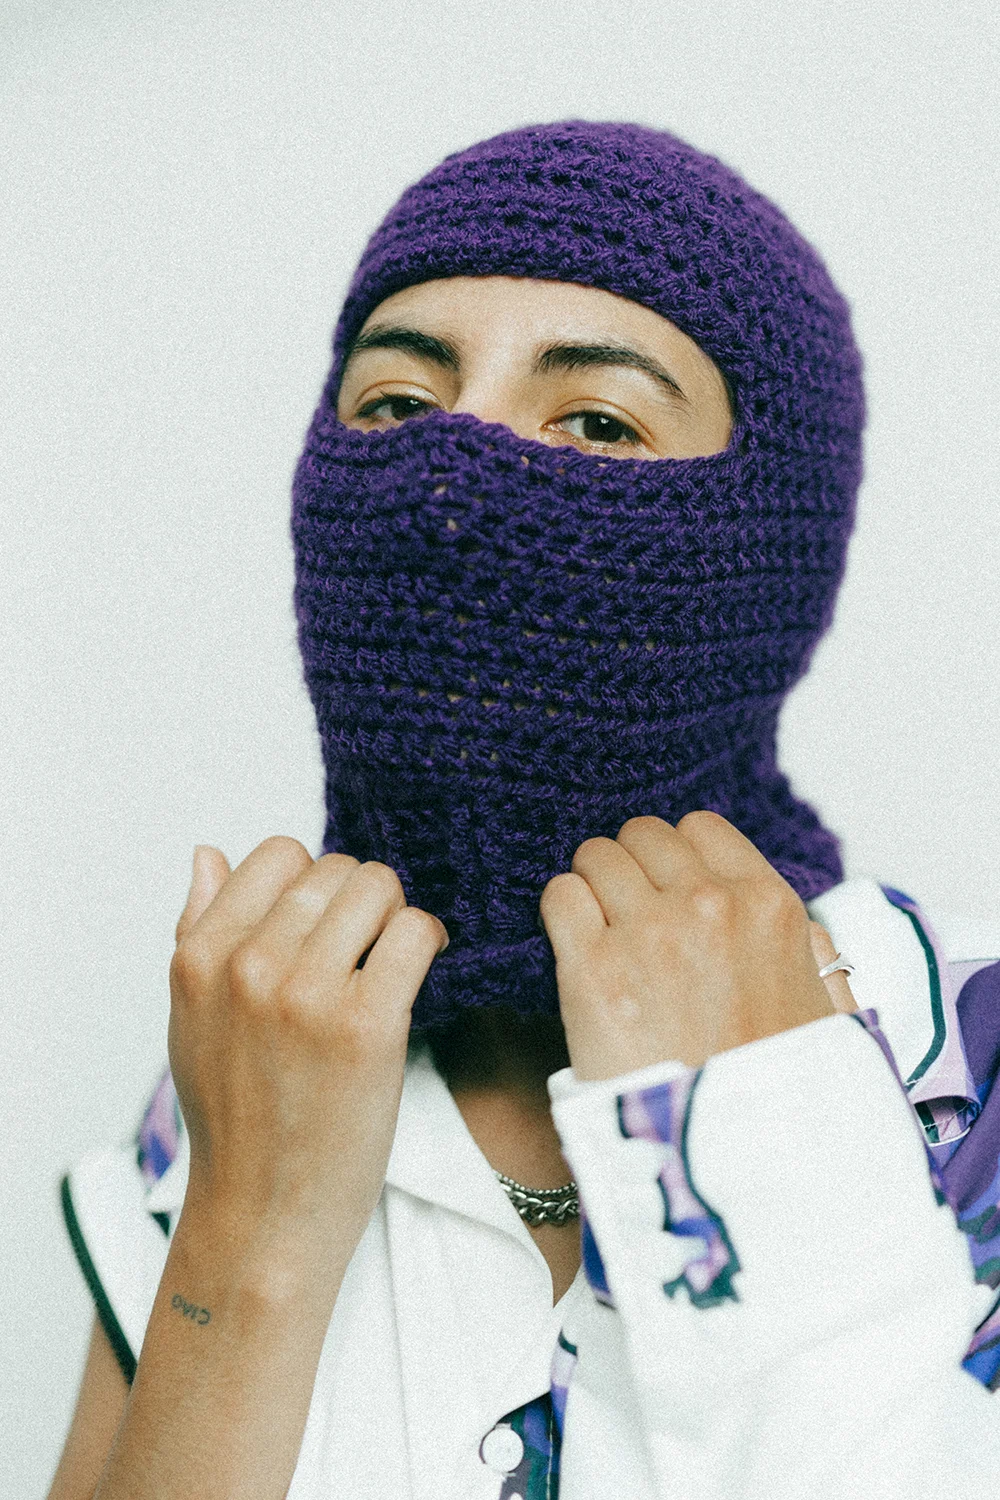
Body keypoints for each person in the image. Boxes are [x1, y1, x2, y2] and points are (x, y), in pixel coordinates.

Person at [49, 121, 1000, 1500]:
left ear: (771, 548)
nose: (452, 480)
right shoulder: (245, 1065)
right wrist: (247, 1240)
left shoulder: (965, 1069)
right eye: (397, 405)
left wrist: (757, 1133)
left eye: (599, 423)